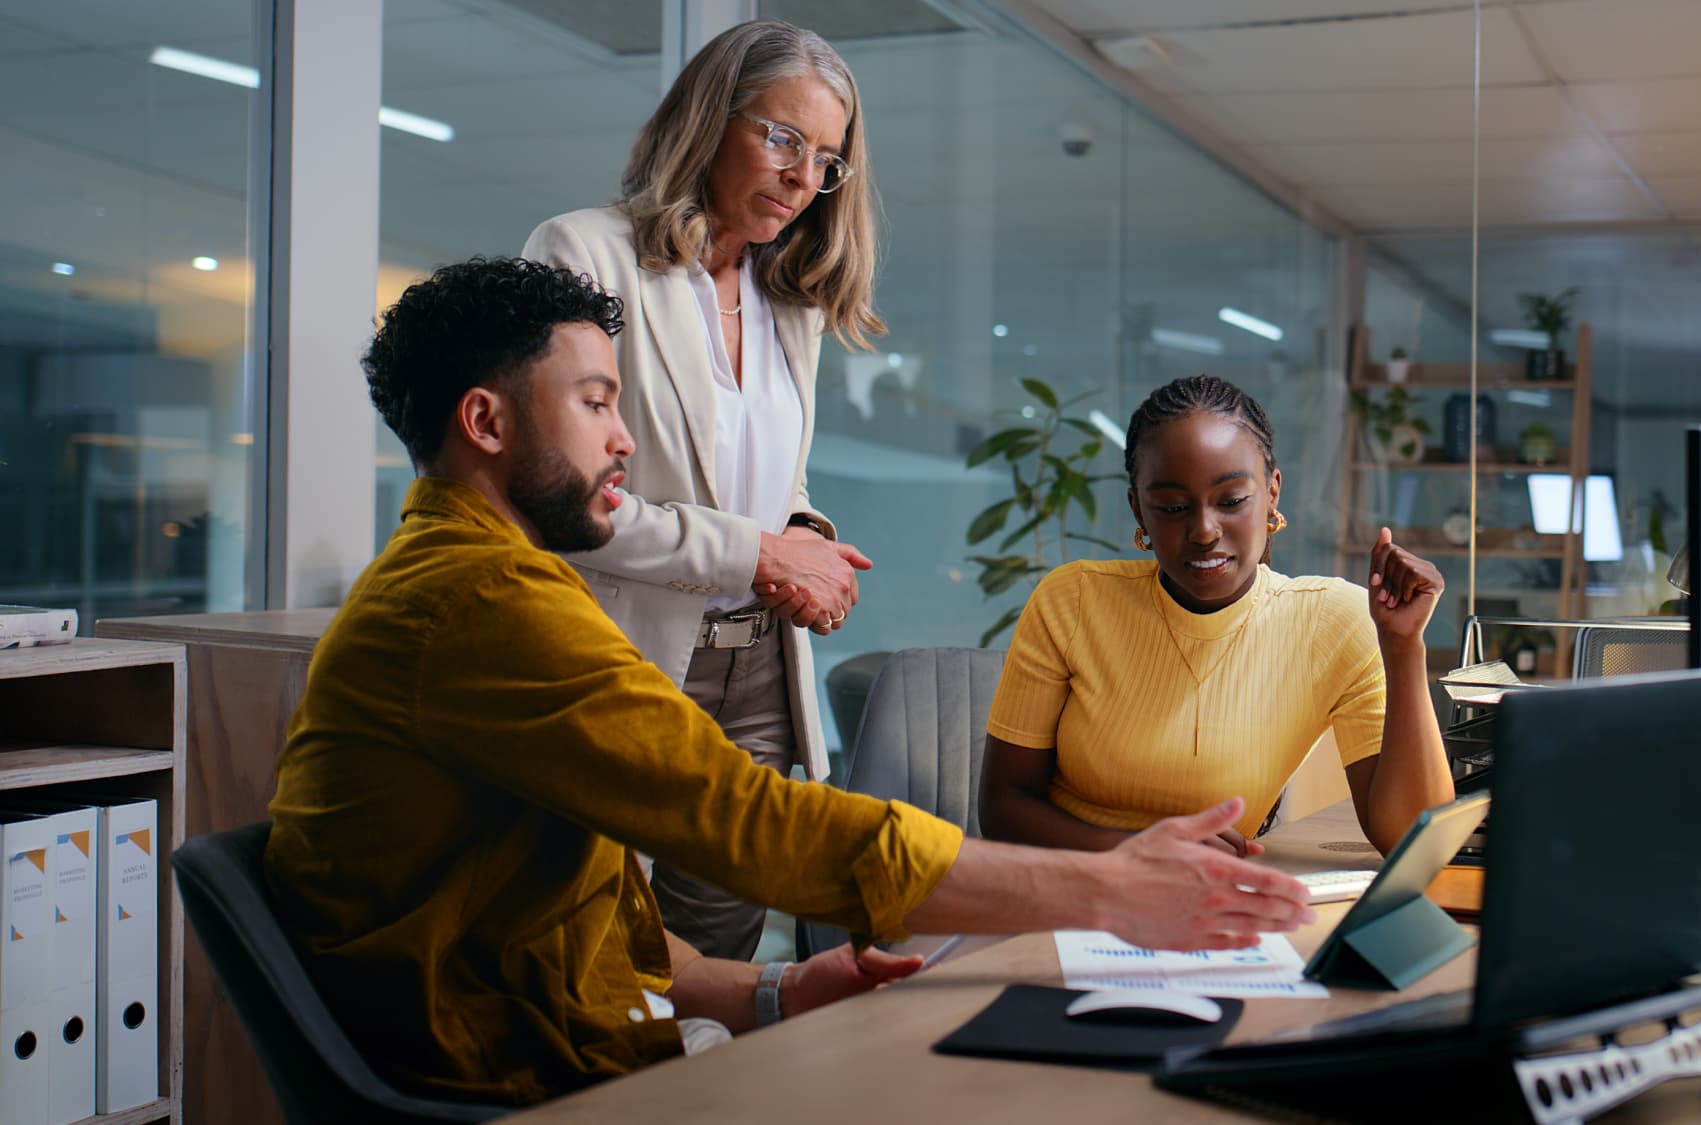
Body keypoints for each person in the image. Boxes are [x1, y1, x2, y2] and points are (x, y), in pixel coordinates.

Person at [265, 258, 1313, 1106]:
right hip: (518, 1087)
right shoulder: (478, 607)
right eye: (592, 402)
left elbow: (576, 919)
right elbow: (751, 823)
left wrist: (772, 990)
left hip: (571, 1045)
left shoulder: (481, 586)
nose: (624, 436)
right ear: (487, 425)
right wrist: (1111, 890)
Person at [521, 20, 877, 960]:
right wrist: (759, 550)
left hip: (759, 669)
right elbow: (559, 500)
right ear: (711, 119)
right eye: (783, 138)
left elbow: (773, 482)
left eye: (827, 160)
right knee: (604, 952)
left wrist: (805, 541)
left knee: (720, 956)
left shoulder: (785, 300)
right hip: (629, 653)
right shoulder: (582, 254)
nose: (804, 177)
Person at [978, 375, 1455, 859]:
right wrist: (1139, 853)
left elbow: (1414, 844)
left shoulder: (1333, 622)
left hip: (1208, 911)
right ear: (1138, 511)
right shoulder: (1073, 601)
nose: (1204, 530)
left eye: (1231, 502)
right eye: (1172, 507)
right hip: (1061, 896)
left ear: (1272, 493)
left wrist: (1403, 647)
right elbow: (1002, 808)